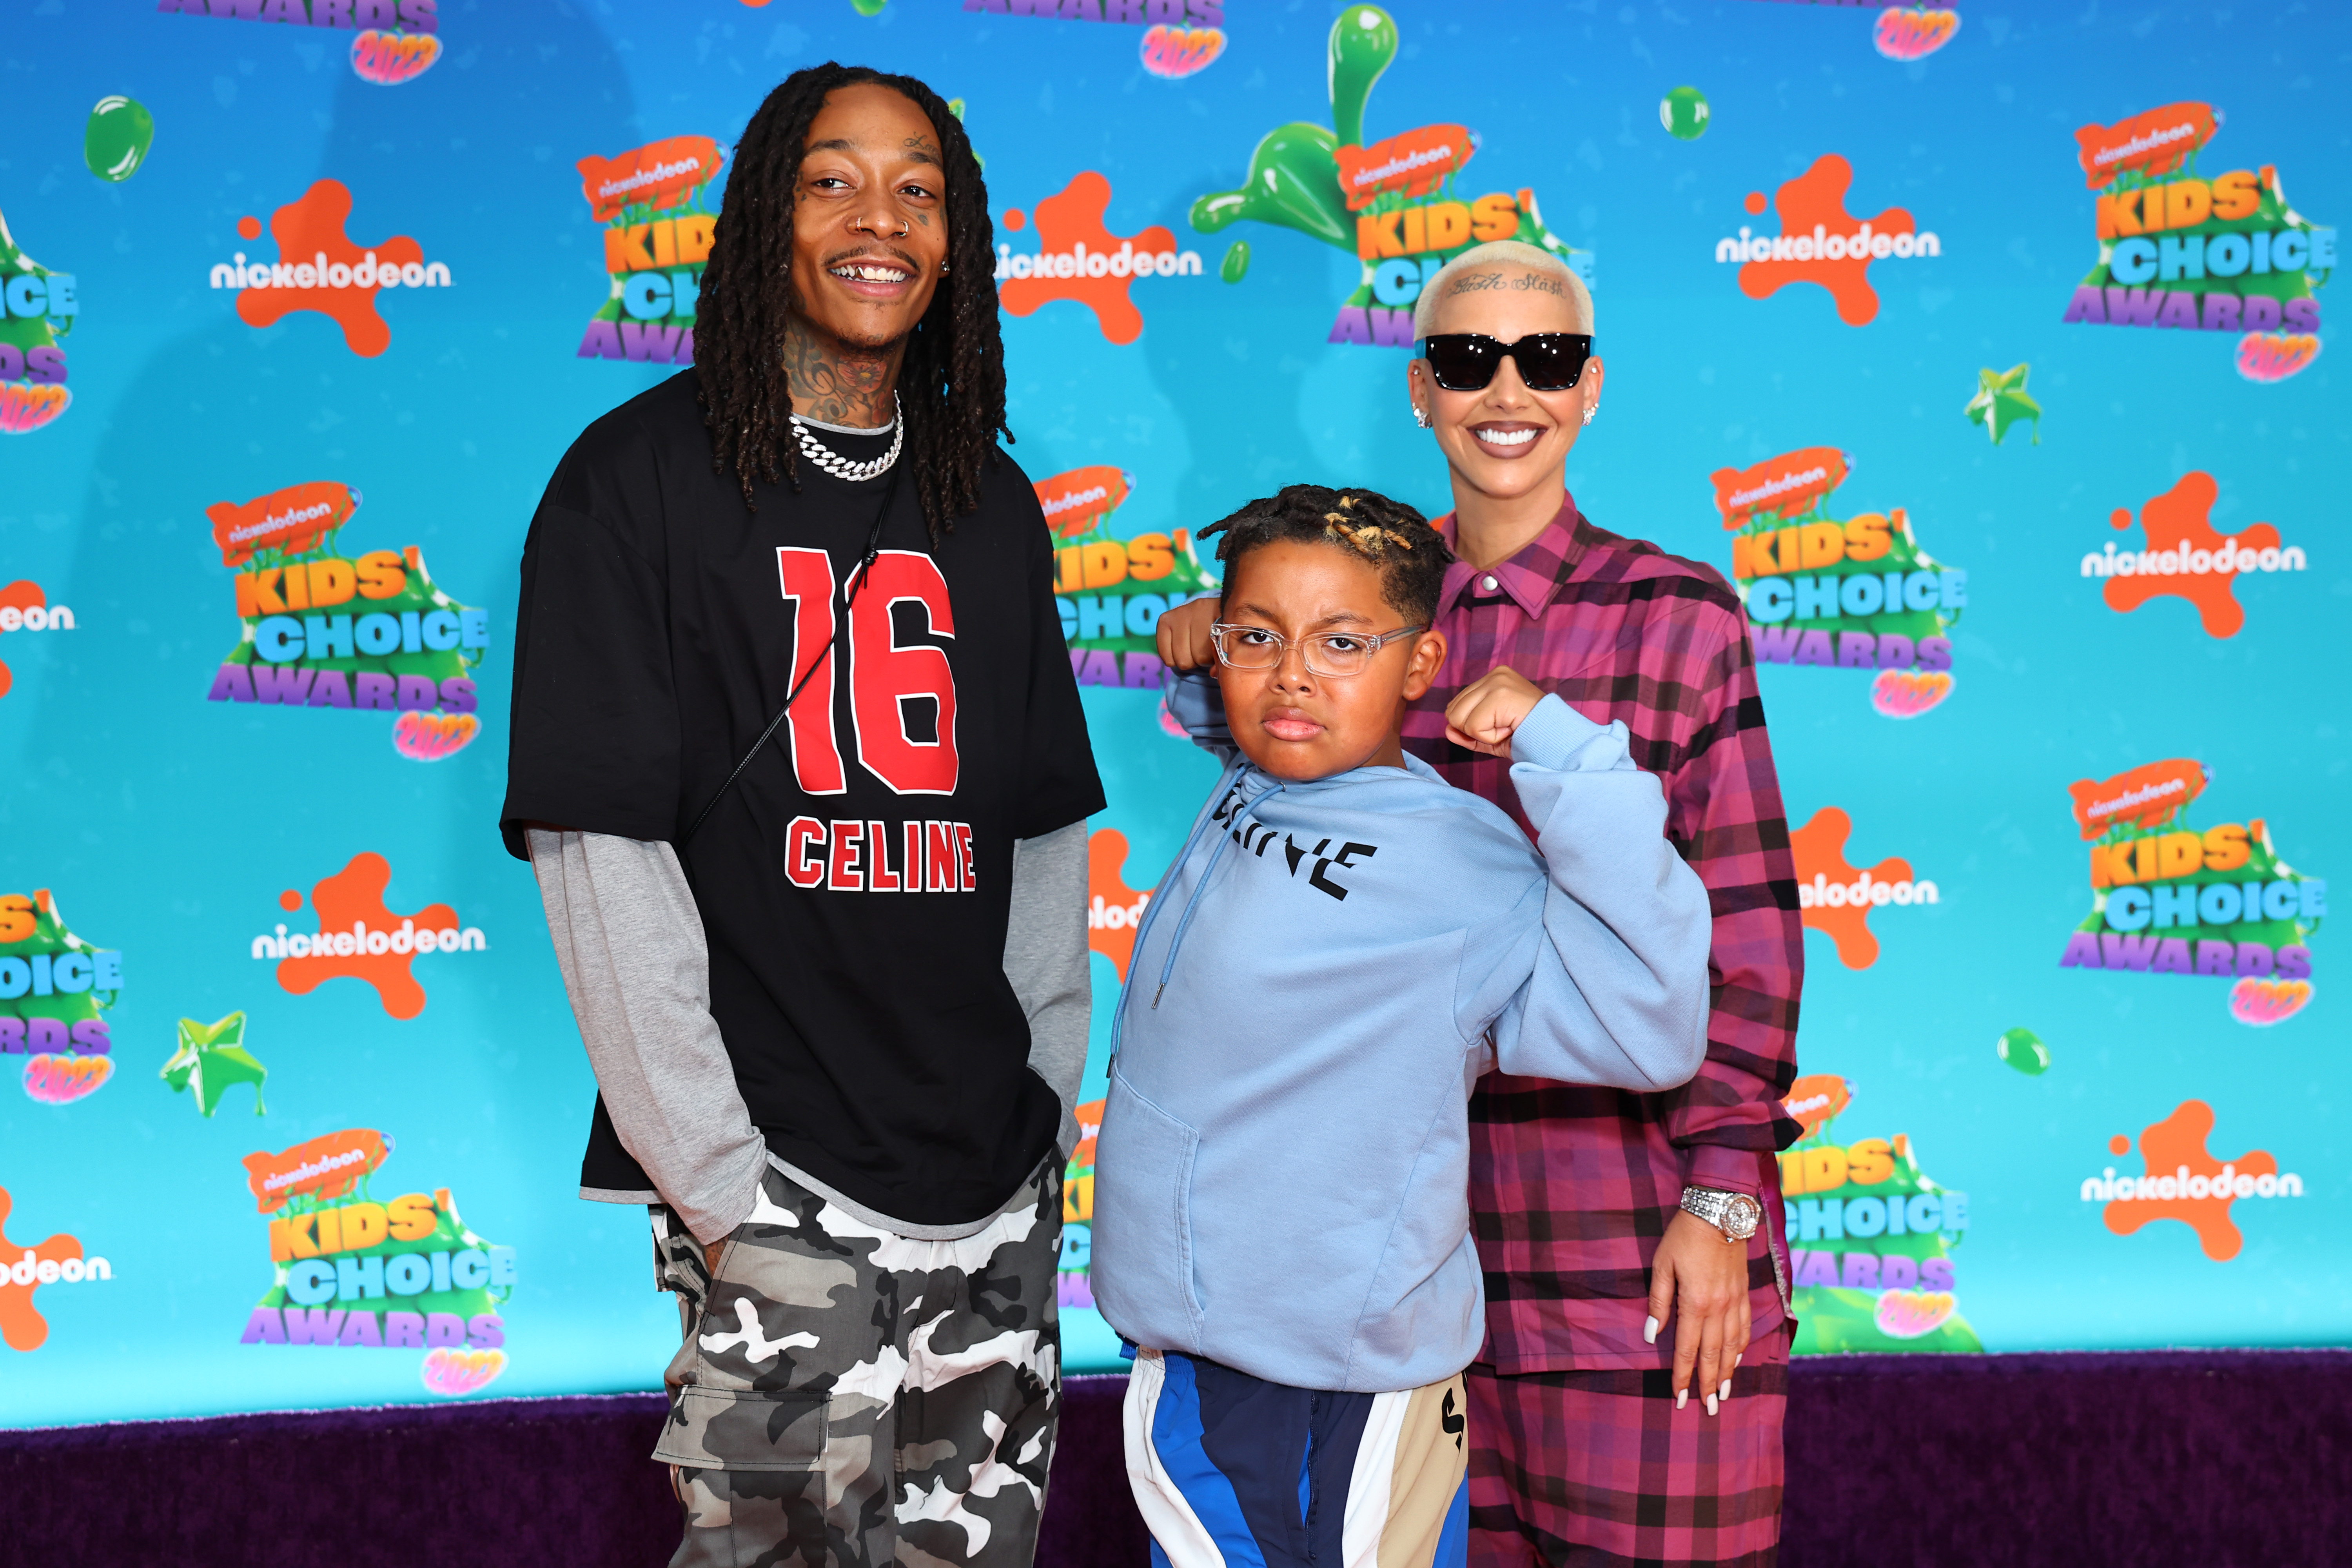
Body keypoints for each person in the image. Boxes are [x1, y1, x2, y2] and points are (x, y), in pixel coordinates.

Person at [499, 64, 1103, 1568]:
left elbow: (1039, 832)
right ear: (766, 214)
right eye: (832, 180)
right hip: (777, 1188)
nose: (877, 219)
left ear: (957, 239)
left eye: (919, 189)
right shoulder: (631, 482)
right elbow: (603, 856)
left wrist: (1041, 1109)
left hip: (993, 1192)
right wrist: (726, 1196)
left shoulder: (991, 501)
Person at [1159, 241, 1806, 1566]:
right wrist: (1210, 649)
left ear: (1589, 388)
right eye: (1468, 359)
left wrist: (1722, 1199)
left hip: (1624, 1237)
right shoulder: (1356, 611)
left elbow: (1748, 931)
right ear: (1421, 390)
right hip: (1399, 1272)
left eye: (1545, 358)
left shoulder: (1678, 615)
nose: (1508, 390)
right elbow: (1286, 799)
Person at [1097, 484, 1715, 1568]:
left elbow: (1651, 1029)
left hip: (1342, 1385)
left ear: (1422, 664)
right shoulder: (1257, 776)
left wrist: (1566, 753)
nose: (1295, 675)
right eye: (1261, 638)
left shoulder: (1462, 861)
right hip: (1196, 1353)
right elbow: (1243, 700)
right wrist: (1207, 643)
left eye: (1342, 643)